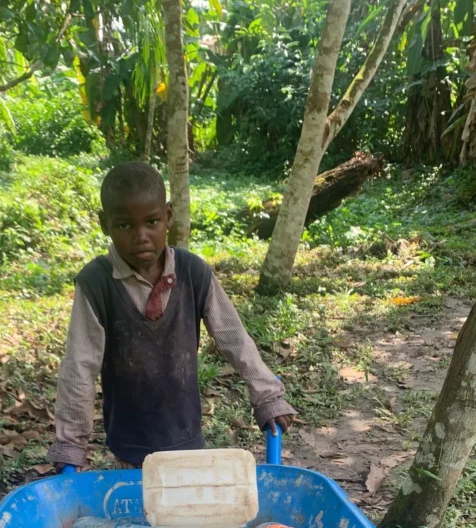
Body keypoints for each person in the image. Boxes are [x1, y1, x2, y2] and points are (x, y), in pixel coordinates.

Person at [48, 162, 296, 471]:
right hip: (130, 440)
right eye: (124, 225)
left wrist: (267, 396)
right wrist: (71, 443)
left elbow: (235, 338)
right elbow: (78, 367)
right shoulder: (96, 284)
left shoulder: (193, 273)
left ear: (167, 216)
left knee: (185, 513)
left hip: (185, 434)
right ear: (104, 224)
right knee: (141, 510)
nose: (140, 236)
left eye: (151, 222)